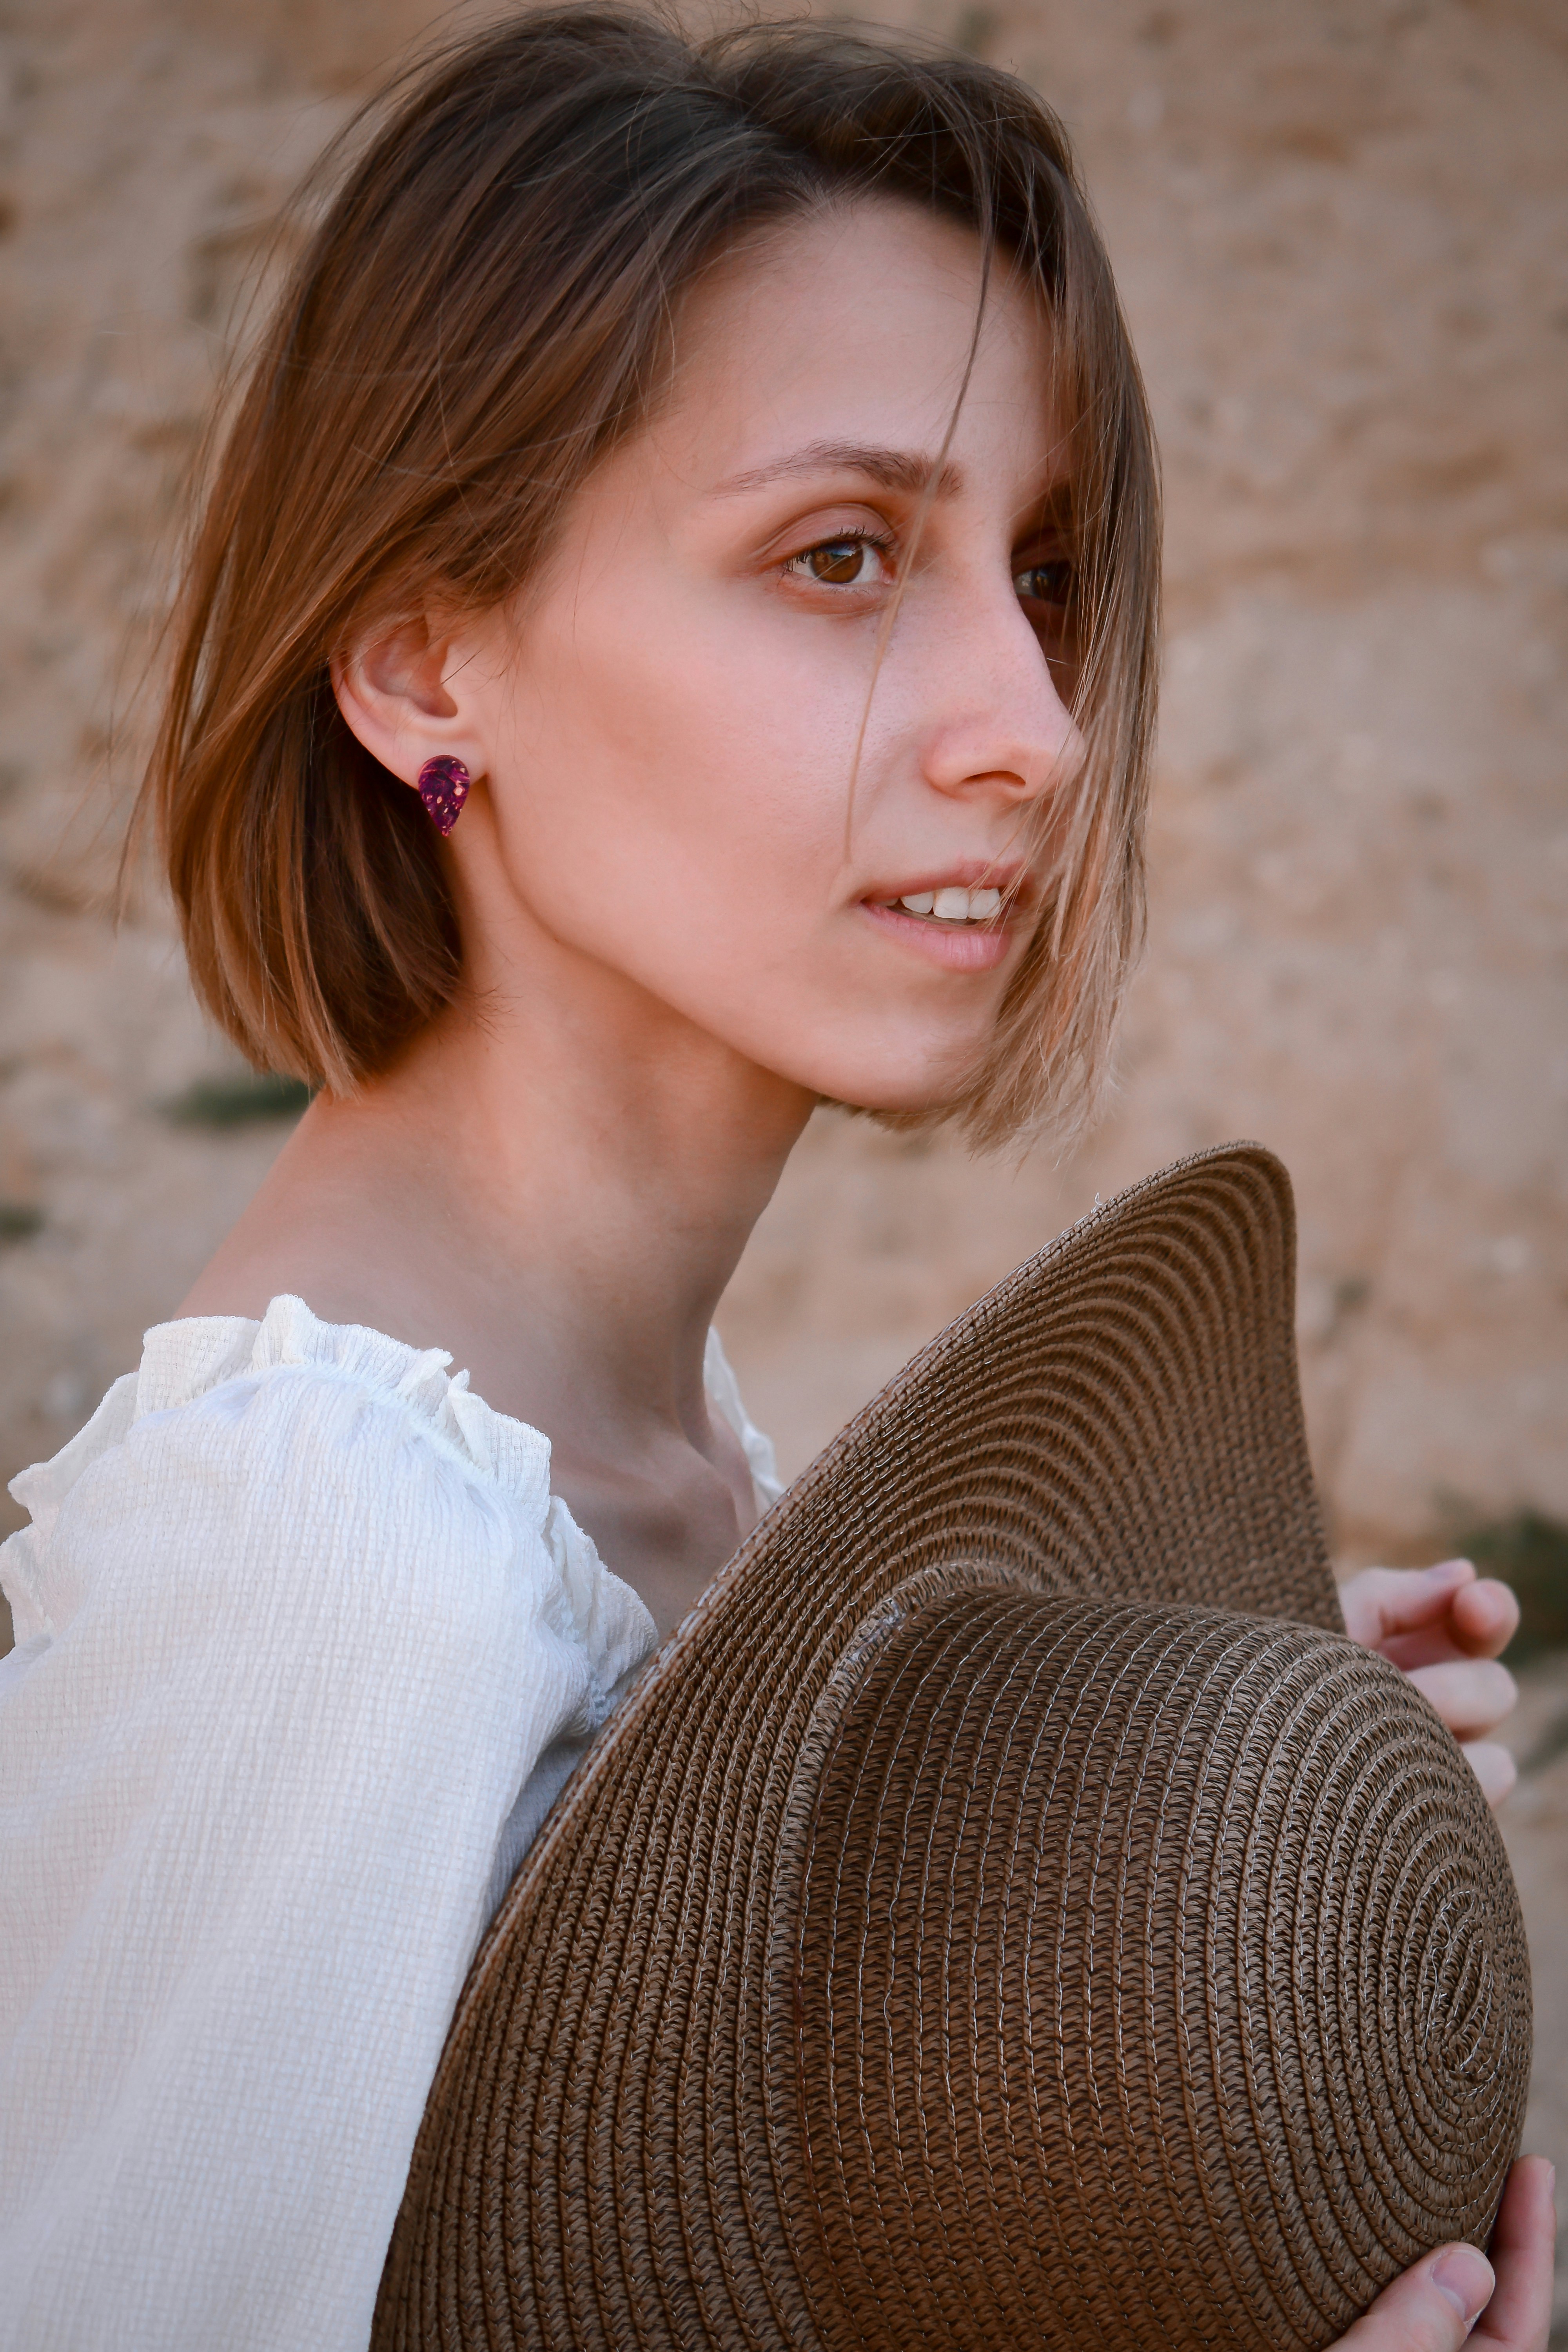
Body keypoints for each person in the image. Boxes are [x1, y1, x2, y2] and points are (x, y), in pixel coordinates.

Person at [0, 10, 1552, 2348]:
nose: (1030, 727)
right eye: (841, 557)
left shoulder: (632, 1428)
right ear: (426, 661)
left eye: (1043, 572)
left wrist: (1064, 1810)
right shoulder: (324, 1570)